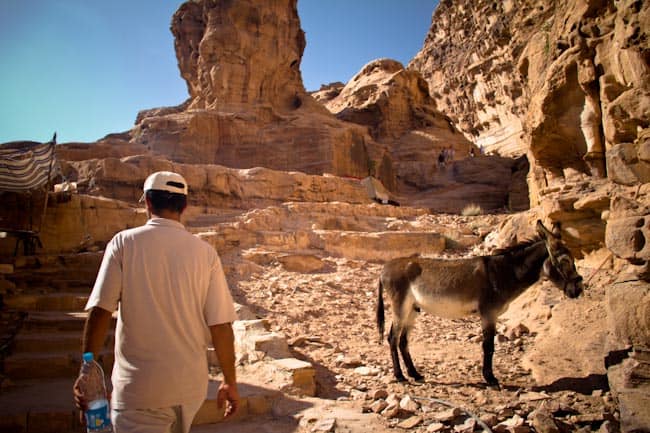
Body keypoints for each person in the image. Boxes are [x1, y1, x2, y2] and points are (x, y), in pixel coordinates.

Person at [74, 171, 239, 433]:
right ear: (184, 206)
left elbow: (101, 310)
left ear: (148, 202)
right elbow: (220, 324)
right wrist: (230, 381)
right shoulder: (205, 253)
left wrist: (87, 367)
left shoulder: (124, 243)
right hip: (190, 389)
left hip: (140, 391)